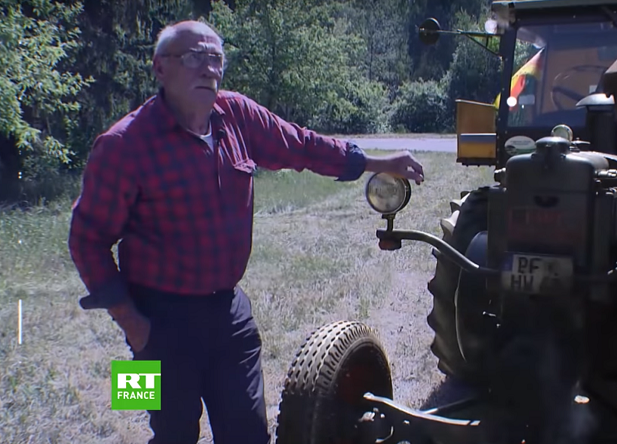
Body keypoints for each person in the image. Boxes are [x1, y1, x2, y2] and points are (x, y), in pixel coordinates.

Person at [67, 19, 424, 444]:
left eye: (215, 59)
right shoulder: (122, 145)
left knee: (248, 434)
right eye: (194, 58)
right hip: (152, 322)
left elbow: (302, 145)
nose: (208, 70)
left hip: (229, 315)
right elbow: (86, 239)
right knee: (167, 432)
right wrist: (132, 324)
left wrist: (377, 163)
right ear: (159, 68)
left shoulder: (235, 114)